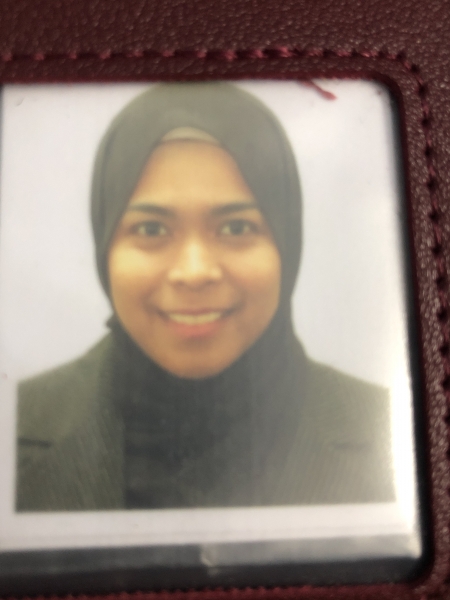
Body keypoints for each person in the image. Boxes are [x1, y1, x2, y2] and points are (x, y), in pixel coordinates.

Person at [16, 83, 394, 511]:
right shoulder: (16, 426)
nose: (194, 272)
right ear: (105, 247)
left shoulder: (397, 434)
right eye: (151, 229)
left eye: (236, 228)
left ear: (287, 244)